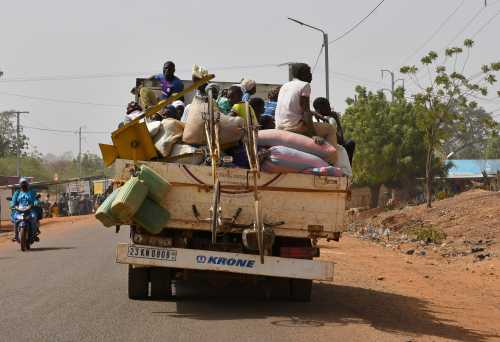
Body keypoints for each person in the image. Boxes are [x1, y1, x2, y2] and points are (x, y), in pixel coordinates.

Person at [275, 63, 338, 151]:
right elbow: (305, 112)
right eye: (308, 72)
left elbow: (293, 108)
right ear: (302, 74)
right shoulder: (304, 85)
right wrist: (313, 135)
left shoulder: (285, 86)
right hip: (293, 127)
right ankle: (331, 159)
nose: (311, 75)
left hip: (279, 126)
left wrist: (314, 114)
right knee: (330, 129)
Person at [313, 97, 356, 165]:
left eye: (329, 106)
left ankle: (347, 167)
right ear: (319, 110)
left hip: (330, 145)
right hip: (322, 147)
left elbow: (341, 140)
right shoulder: (316, 120)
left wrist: (336, 120)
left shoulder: (327, 119)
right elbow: (341, 140)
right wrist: (336, 119)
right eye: (327, 107)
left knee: (350, 143)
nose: (330, 109)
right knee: (350, 144)